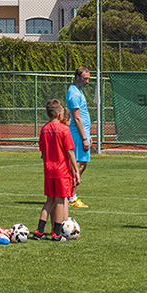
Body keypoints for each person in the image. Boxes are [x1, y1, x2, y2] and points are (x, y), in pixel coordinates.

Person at [36, 100, 79, 241]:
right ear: (60, 115)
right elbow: (70, 152)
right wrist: (76, 170)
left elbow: (42, 150)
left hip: (48, 169)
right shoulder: (64, 130)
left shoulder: (44, 129)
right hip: (61, 170)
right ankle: (57, 233)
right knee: (60, 200)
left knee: (49, 200)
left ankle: (39, 230)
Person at [65, 67, 91, 208]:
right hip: (77, 135)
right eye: (84, 78)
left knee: (81, 165)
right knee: (77, 166)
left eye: (88, 79)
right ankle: (71, 196)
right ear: (77, 77)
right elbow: (77, 118)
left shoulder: (78, 91)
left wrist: (88, 135)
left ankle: (69, 194)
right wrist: (84, 138)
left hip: (82, 134)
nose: (87, 81)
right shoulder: (74, 93)